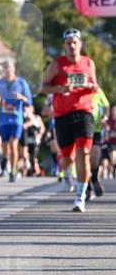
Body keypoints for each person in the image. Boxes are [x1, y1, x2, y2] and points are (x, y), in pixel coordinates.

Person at [41, 28, 100, 213]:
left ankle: (80, 196)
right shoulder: (57, 64)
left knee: (83, 152)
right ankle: (67, 174)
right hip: (62, 114)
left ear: (80, 44)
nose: (72, 46)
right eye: (68, 43)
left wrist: (92, 86)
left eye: (75, 42)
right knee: (67, 157)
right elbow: (43, 87)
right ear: (64, 45)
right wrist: (60, 89)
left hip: (84, 112)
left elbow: (95, 85)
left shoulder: (88, 63)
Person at [0, 58, 32, 182]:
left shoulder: (22, 83)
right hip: (3, 120)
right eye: (5, 67)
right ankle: (4, 159)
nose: (7, 69)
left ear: (14, 68)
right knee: (5, 147)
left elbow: (29, 101)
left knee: (13, 145)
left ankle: (13, 171)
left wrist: (21, 97)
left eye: (9, 67)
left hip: (17, 119)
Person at [86, 83, 109, 198]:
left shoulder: (96, 89)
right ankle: (87, 188)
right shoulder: (75, 87)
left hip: (95, 130)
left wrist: (104, 117)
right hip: (80, 128)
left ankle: (94, 178)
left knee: (94, 159)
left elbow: (106, 105)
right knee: (83, 159)